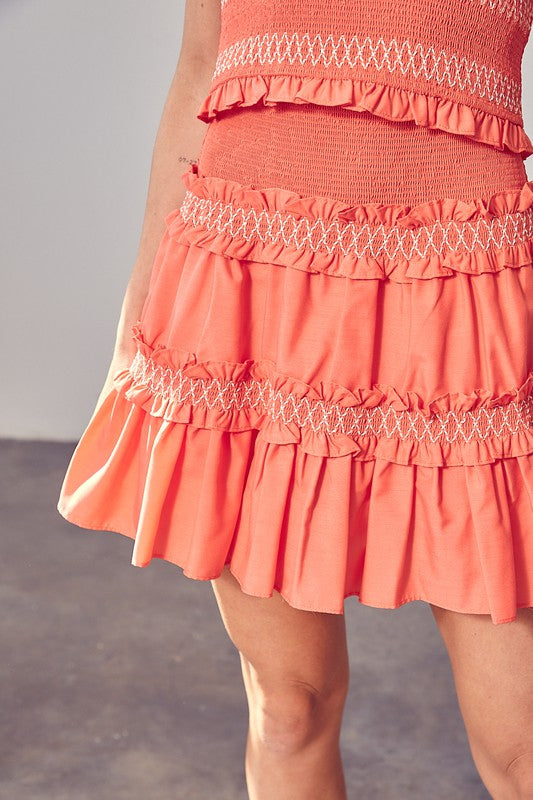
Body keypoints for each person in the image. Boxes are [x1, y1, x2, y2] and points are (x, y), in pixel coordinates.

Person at [57, 1, 533, 797]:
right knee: (289, 707)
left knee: (519, 742)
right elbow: (201, 70)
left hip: (460, 301)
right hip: (247, 296)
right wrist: (138, 313)